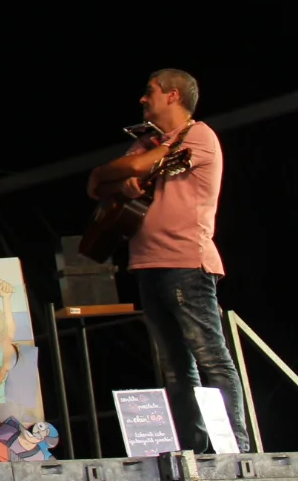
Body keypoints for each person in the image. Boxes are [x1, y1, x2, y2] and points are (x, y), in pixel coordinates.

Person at [86, 68, 251, 452]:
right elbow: (97, 184)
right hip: (147, 264)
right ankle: (194, 450)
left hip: (186, 262)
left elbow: (126, 170)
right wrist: (113, 176)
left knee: (210, 358)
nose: (143, 99)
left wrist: (116, 173)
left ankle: (235, 452)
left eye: (150, 91)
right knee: (175, 368)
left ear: (173, 95)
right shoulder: (147, 142)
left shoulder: (198, 134)